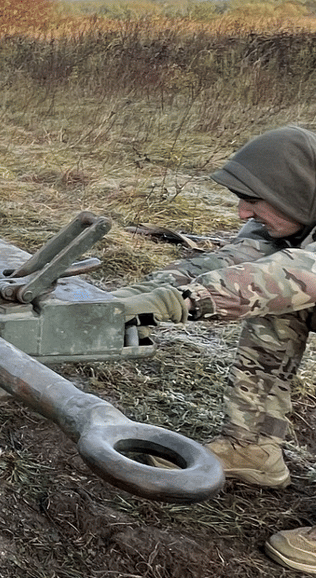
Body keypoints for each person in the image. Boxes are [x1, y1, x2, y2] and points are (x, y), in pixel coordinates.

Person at [115, 125, 316, 574]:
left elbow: (295, 273)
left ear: (293, 190)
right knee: (276, 311)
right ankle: (254, 447)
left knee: (278, 290)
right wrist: (140, 293)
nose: (243, 209)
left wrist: (179, 303)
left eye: (254, 198)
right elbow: (234, 261)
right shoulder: (296, 211)